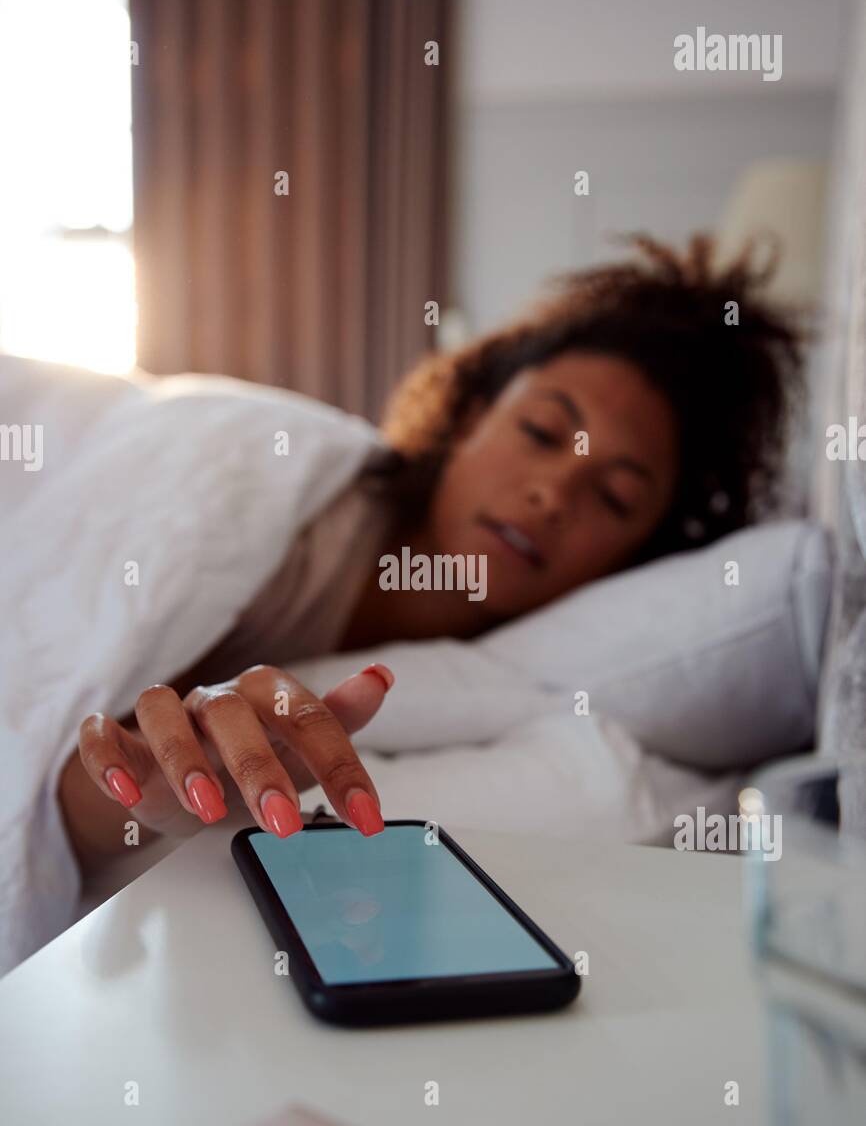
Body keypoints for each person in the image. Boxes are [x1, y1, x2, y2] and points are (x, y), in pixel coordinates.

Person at [58, 233, 805, 873]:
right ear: (473, 414)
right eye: (543, 433)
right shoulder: (275, 517)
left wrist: (155, 789)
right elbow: (58, 769)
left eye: (612, 496)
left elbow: (106, 799)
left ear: (642, 555)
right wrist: (135, 767)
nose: (552, 493)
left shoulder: (512, 670)